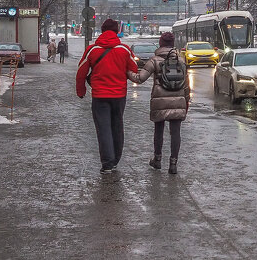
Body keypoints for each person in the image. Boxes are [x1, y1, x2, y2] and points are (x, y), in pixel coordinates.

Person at [75, 18, 138, 173]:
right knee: (117, 126)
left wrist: (81, 91)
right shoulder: (124, 49)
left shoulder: (92, 50)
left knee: (103, 128)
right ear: (117, 31)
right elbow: (134, 68)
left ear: (102, 31)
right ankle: (116, 159)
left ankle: (107, 163)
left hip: (99, 96)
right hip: (119, 95)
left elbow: (81, 73)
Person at [128, 32, 188, 175]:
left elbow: (139, 78)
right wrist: (186, 101)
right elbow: (186, 85)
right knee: (176, 133)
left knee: (159, 131)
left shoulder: (154, 60)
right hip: (178, 100)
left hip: (159, 101)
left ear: (160, 44)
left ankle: (157, 160)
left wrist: (127, 72)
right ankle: (173, 164)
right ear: (173, 44)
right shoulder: (181, 61)